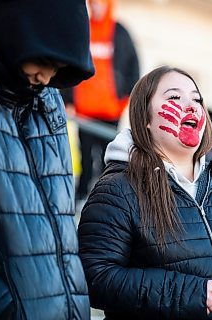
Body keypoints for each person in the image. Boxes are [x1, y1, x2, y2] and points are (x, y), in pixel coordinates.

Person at [78, 66, 212, 320]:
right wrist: (187, 292)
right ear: (146, 119)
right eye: (174, 98)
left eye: (197, 99)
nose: (191, 106)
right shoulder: (117, 189)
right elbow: (95, 278)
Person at [0, 0, 94, 320]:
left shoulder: (48, 98)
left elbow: (58, 223)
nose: (47, 77)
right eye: (45, 61)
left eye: (59, 69)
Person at [62, 0, 140, 205]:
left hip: (110, 113)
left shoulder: (119, 33)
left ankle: (103, 200)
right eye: (92, 3)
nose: (95, 7)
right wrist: (67, 99)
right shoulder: (83, 27)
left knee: (109, 161)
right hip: (84, 113)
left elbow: (133, 68)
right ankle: (80, 197)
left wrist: (123, 101)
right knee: (85, 159)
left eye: (99, 3)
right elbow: (67, 62)